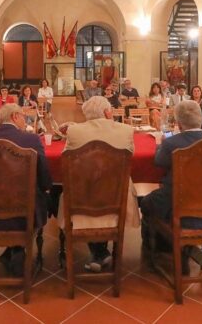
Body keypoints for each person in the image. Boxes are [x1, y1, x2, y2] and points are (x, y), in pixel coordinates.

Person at [140, 101, 202, 270]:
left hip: (178, 205)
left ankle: (158, 249)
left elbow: (159, 161)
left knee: (146, 203)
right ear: (200, 119)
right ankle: (186, 248)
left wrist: (160, 144)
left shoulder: (171, 143)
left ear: (179, 124)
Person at [0, 104, 53, 276]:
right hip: (24, 215)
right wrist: (46, 190)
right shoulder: (31, 139)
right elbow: (44, 175)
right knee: (41, 196)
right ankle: (16, 251)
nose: (25, 120)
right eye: (23, 116)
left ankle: (14, 251)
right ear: (15, 116)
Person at [64, 96, 138, 272]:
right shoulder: (125, 130)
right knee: (106, 190)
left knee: (79, 190)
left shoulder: (74, 131)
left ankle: (99, 252)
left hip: (82, 198)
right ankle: (100, 251)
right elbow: (131, 155)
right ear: (107, 112)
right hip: (117, 196)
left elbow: (66, 158)